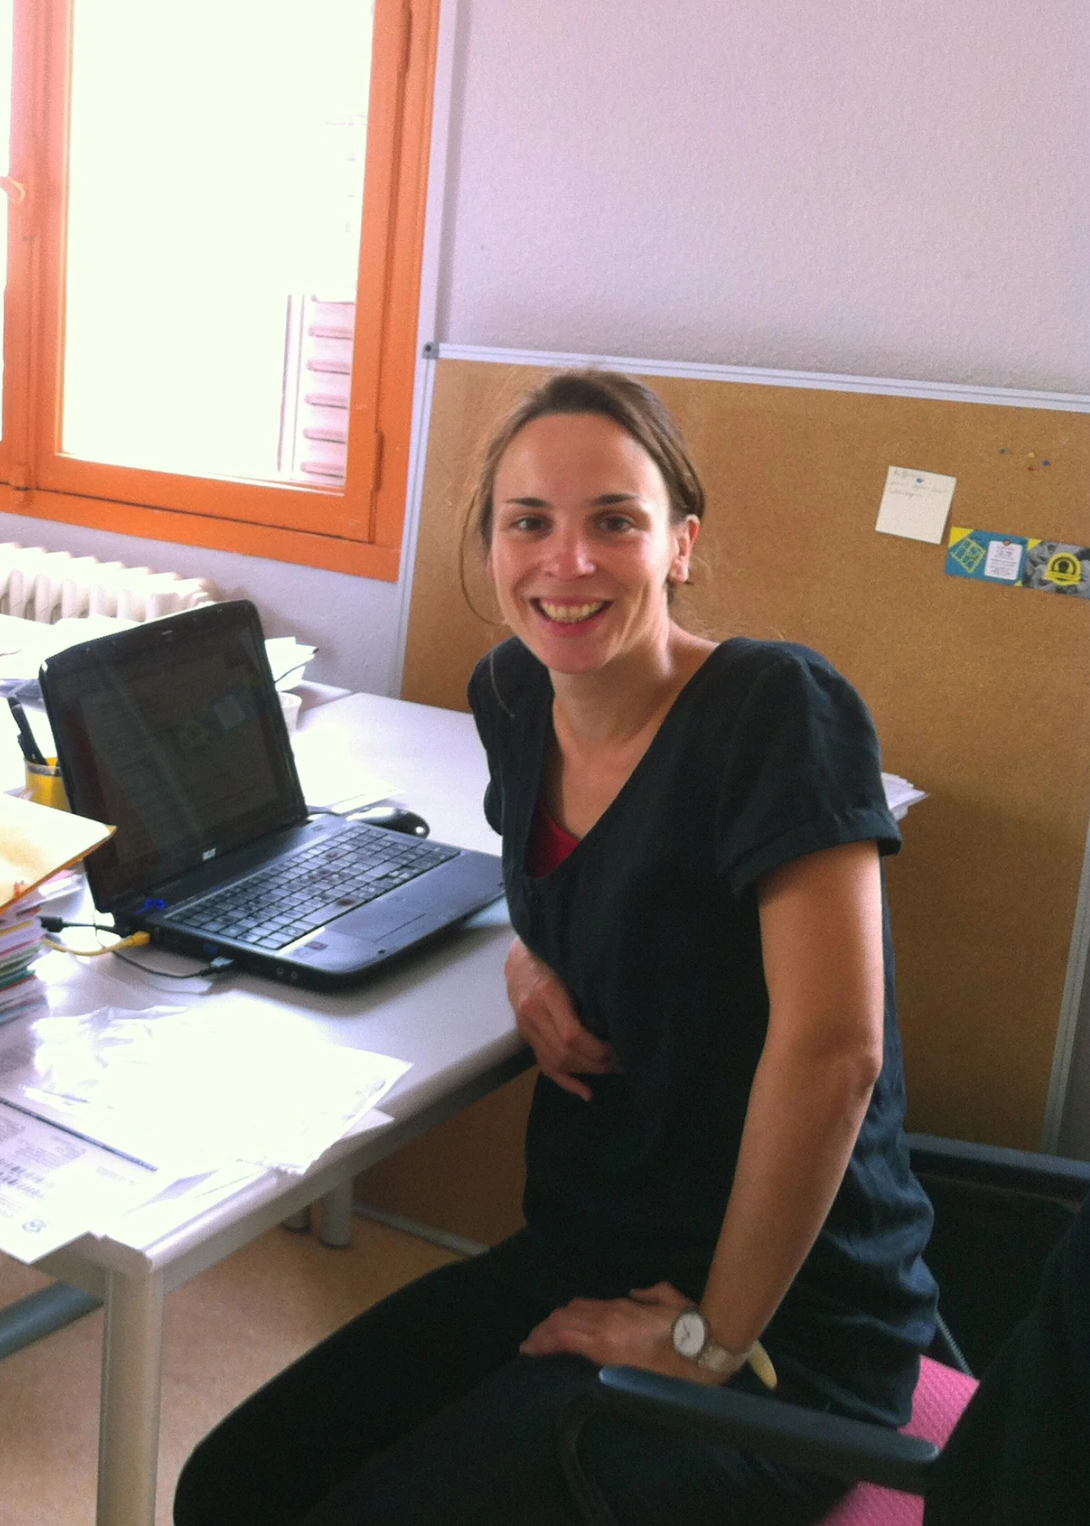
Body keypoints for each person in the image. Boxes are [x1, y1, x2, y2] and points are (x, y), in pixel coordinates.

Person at [172, 371, 938, 1525]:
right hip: (583, 1249)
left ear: (678, 544)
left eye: (612, 521)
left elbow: (836, 1054)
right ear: (487, 545)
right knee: (230, 1486)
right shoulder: (513, 695)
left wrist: (708, 1335)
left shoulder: (774, 709)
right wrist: (529, 958)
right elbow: (566, 885)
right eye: (527, 520)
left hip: (788, 1327)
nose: (564, 561)